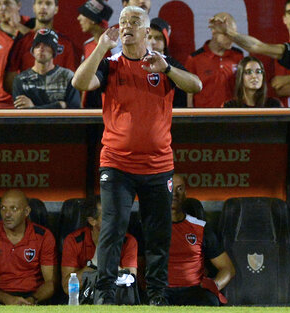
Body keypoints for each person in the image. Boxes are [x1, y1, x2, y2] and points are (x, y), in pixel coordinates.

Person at [71, 6, 201, 305]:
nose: (127, 26)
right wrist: (101, 47)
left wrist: (167, 69)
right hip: (117, 163)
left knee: (158, 235)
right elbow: (79, 83)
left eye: (134, 22)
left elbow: (196, 85)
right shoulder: (110, 64)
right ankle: (104, 294)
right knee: (112, 229)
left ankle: (156, 295)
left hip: (158, 165)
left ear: (147, 32)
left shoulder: (163, 63)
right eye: (123, 21)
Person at [0, 189, 58, 305]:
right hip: (1, 296)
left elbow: (51, 283)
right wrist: (7, 299)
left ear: (26, 211)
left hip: (34, 296)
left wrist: (32, 300)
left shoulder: (44, 236)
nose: (7, 214)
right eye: (3, 208)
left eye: (13, 208)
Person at [166, 174, 235, 306]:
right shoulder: (149, 229)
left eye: (179, 189)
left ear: (185, 194)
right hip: (161, 292)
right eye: (170, 188)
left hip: (194, 292)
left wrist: (213, 286)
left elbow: (228, 268)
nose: (175, 193)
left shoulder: (200, 228)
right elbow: (137, 267)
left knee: (209, 301)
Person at [61, 196, 138, 295]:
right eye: (108, 215)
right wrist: (94, 263)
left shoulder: (128, 241)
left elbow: (130, 284)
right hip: (84, 299)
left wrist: (103, 261)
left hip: (116, 298)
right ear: (92, 221)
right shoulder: (74, 240)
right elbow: (67, 288)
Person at [4, 0, 77, 94]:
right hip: (28, 105)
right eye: (39, 3)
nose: (43, 7)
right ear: (33, 7)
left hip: (56, 104)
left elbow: (72, 80)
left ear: (56, 9)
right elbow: (8, 81)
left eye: (48, 3)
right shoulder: (22, 41)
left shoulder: (66, 43)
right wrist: (28, 96)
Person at [185, 12, 243, 108]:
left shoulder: (238, 56)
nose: (232, 40)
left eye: (234, 35)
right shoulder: (194, 59)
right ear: (214, 32)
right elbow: (189, 94)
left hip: (232, 116)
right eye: (227, 34)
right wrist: (191, 119)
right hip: (204, 118)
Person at [12, 29, 80, 109]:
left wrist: (33, 108)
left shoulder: (68, 77)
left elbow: (74, 109)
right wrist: (59, 105)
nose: (41, 49)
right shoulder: (21, 79)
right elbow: (21, 112)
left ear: (54, 51)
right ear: (32, 51)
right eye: (37, 46)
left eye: (46, 45)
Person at [0, 0, 31, 109]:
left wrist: (18, 27)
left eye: (7, 3)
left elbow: (43, 44)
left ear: (18, 5)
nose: (2, 8)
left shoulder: (32, 26)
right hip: (2, 102)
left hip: (32, 100)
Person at [77, 0, 113, 108]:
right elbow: (84, 75)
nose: (78, 18)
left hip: (111, 106)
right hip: (90, 107)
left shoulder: (116, 45)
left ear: (92, 20)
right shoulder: (87, 45)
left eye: (83, 14)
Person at [147, 17, 187, 107]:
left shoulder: (174, 65)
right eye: (149, 37)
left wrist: (168, 70)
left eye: (158, 38)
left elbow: (192, 87)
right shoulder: (135, 62)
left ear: (165, 42)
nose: (152, 42)